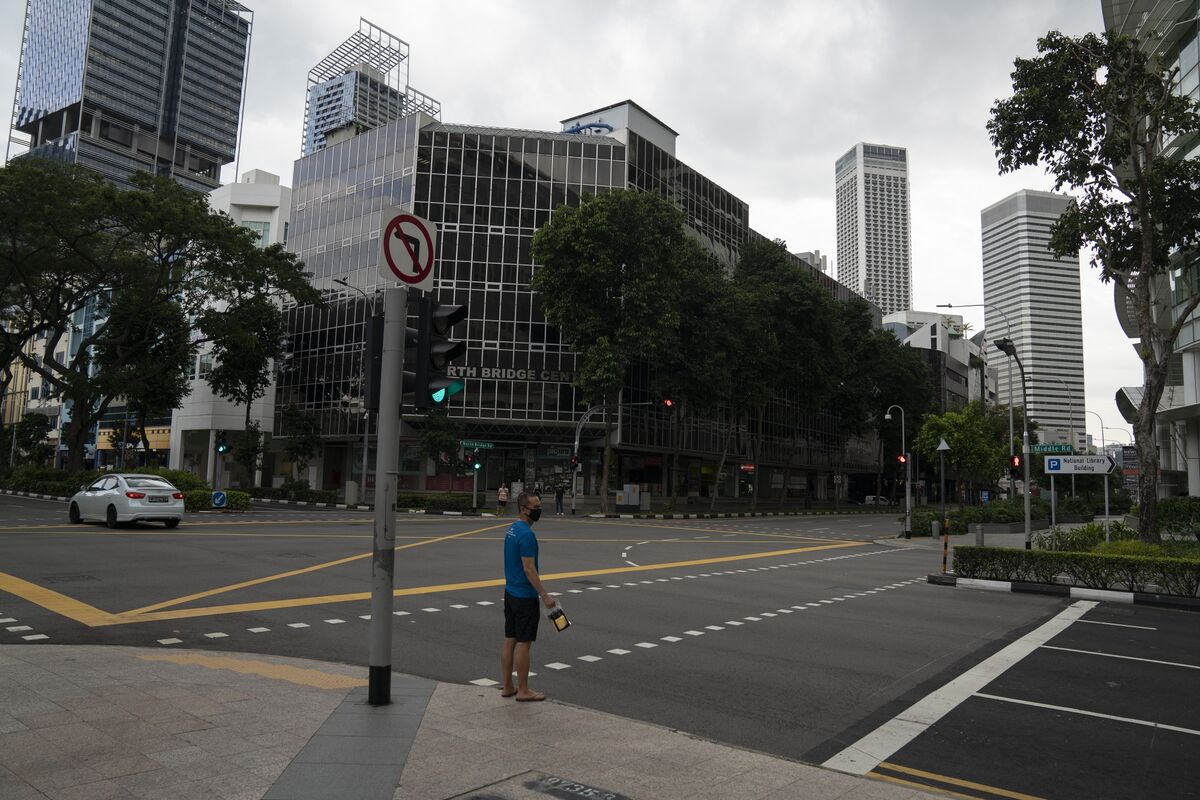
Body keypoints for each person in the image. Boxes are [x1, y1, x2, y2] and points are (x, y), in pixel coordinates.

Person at [500, 491, 555, 701]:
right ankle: (523, 690)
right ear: (524, 509)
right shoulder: (526, 535)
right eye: (536, 507)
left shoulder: (512, 530)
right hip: (524, 596)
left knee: (510, 640)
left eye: (540, 505)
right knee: (524, 643)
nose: (539, 510)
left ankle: (507, 686)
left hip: (510, 592)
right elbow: (529, 569)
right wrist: (544, 595)